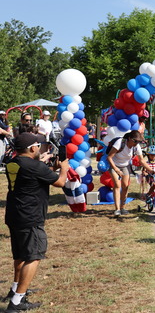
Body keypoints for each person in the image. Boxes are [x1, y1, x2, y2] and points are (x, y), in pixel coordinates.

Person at [3, 133, 70, 312]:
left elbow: (36, 178)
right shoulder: (35, 166)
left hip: (15, 214)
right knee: (34, 255)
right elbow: (60, 182)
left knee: (20, 255)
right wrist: (63, 168)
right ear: (33, 148)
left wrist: (51, 169)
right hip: (30, 216)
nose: (41, 150)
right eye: (39, 147)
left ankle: (15, 289)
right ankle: (16, 302)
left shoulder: (13, 162)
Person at [106, 130, 155, 217]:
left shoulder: (136, 147)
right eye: (135, 141)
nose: (137, 143)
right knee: (117, 185)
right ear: (129, 138)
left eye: (139, 142)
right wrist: (116, 169)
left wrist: (151, 170)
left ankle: (122, 208)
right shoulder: (120, 143)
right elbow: (109, 157)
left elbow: (142, 161)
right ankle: (117, 209)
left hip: (125, 166)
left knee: (125, 186)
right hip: (114, 165)